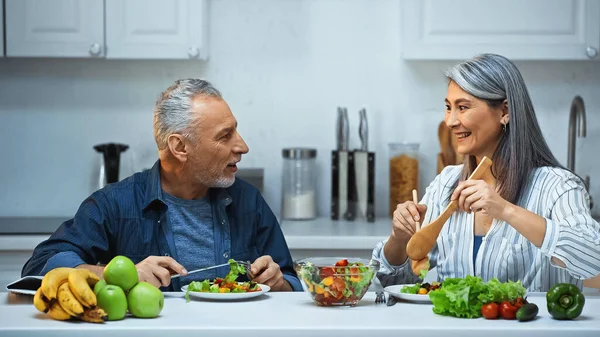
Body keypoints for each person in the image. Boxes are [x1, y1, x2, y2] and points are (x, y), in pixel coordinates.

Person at [22, 79, 302, 292]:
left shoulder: (248, 201)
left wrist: (278, 282)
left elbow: (290, 280)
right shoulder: (114, 204)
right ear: (180, 147)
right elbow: (40, 266)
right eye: (225, 136)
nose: (242, 146)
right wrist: (116, 274)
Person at [373, 53, 600, 291]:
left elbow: (593, 258)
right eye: (448, 107)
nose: (450, 121)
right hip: (455, 330)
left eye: (463, 107)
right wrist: (400, 238)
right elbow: (392, 283)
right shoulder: (446, 185)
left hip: (533, 329)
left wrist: (505, 210)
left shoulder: (557, 187)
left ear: (505, 111)